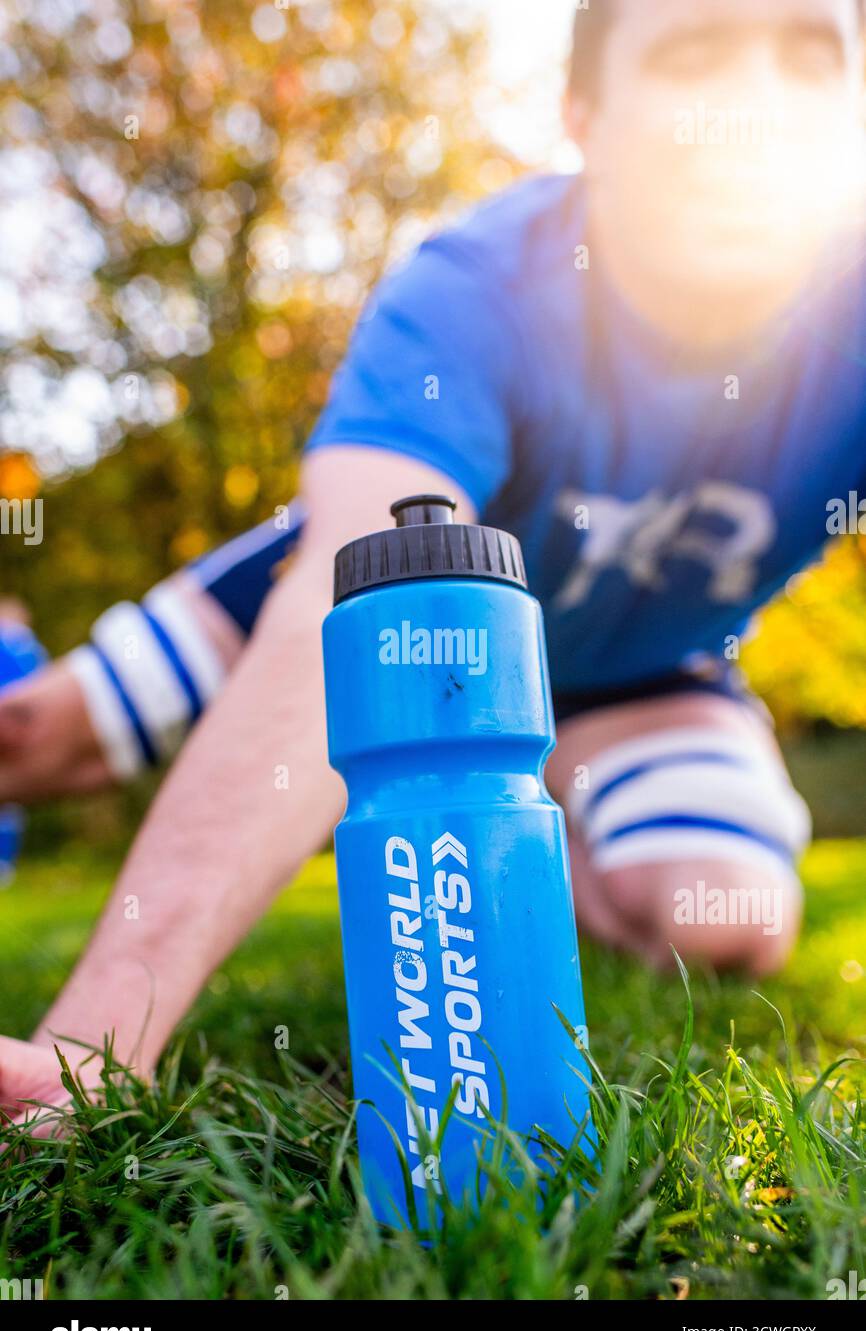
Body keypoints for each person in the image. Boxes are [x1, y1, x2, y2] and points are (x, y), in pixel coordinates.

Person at [2, 0, 864, 1119]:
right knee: (35, 736)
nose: (754, 106)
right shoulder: (472, 290)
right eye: (694, 55)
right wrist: (101, 1033)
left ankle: (543, 776)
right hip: (392, 597)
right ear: (584, 116)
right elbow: (354, 604)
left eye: (806, 56)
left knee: (721, 919)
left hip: (645, 676)